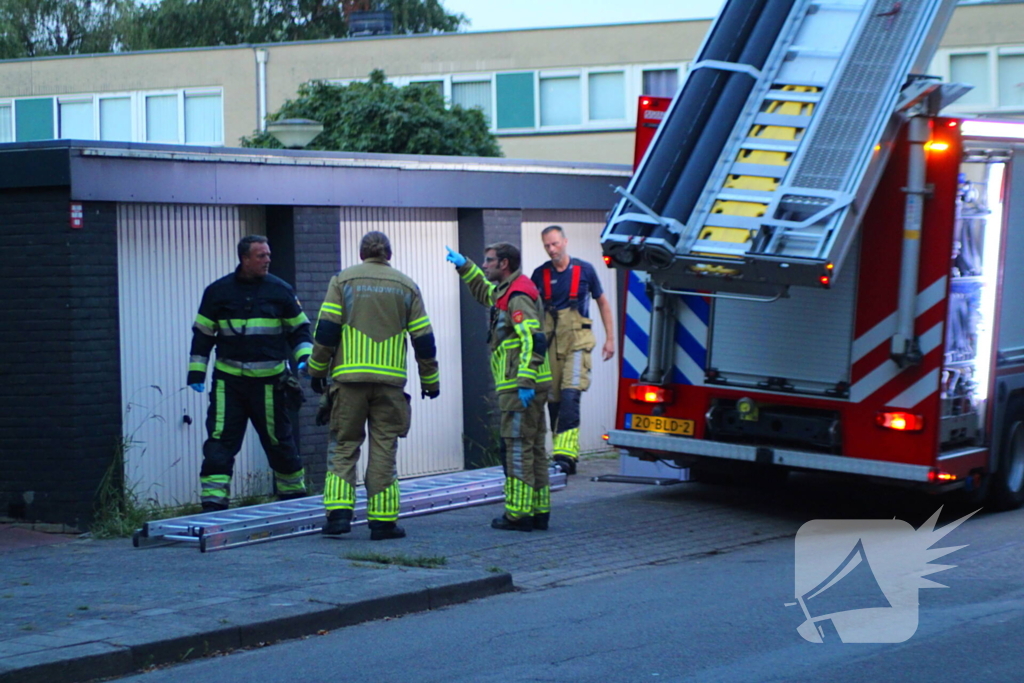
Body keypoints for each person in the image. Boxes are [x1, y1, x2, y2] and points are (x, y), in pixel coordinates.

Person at [307, 231, 439, 541]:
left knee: (343, 445)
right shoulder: (406, 285)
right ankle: (382, 523)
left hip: (349, 382)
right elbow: (424, 338)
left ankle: (338, 516)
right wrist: (430, 380)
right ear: (388, 254)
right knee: (383, 449)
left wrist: (316, 370)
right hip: (390, 385)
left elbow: (326, 329)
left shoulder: (342, 281)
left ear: (361, 253)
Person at [188, 235, 312, 512]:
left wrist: (304, 358)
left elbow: (300, 329)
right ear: (244, 259)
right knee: (219, 443)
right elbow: (203, 335)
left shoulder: (280, 291)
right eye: (261, 256)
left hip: (270, 384)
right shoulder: (217, 292)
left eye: (268, 255)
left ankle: (293, 502)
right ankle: (213, 506)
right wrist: (196, 373)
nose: (268, 260)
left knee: (280, 443)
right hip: (228, 385)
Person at [446, 242, 553, 532]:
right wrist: (463, 265)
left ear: (504, 264)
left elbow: (533, 338)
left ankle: (518, 514)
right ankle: (538, 510)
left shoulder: (517, 295)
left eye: (489, 260)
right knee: (534, 448)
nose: (485, 265)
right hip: (530, 383)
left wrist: (525, 380)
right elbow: (485, 291)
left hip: (520, 386)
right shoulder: (509, 290)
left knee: (517, 448)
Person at [530, 225, 615, 475]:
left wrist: (610, 339)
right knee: (553, 400)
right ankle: (562, 455)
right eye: (547, 245)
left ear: (565, 242)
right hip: (551, 343)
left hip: (578, 341)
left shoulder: (584, 270)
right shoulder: (539, 275)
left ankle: (565, 456)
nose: (551, 249)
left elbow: (603, 303)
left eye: (555, 244)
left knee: (570, 395)